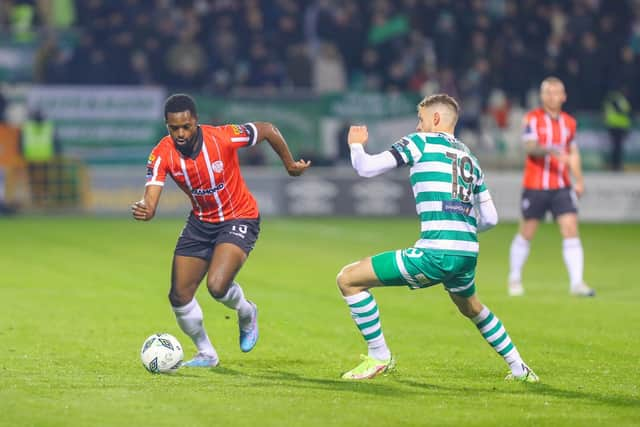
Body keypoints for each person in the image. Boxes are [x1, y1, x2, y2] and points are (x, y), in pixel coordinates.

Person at [336, 94, 539, 383]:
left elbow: (365, 168)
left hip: (437, 252)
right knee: (472, 307)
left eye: (420, 120)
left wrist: (355, 143)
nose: (417, 127)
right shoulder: (470, 157)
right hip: (467, 252)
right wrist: (461, 228)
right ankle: (520, 368)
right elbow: (491, 218)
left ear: (434, 119)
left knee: (348, 279)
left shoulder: (419, 143)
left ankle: (379, 355)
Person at [131, 94, 310, 367]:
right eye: (173, 128)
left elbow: (268, 129)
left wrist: (288, 164)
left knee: (216, 286)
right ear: (166, 126)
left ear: (196, 122)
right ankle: (206, 353)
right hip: (201, 222)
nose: (180, 133)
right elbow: (151, 198)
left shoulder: (223, 137)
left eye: (186, 127)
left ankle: (246, 311)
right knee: (179, 295)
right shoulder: (161, 153)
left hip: (239, 216)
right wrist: (147, 208)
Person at [508, 77, 594, 297]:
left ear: (564, 96)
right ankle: (514, 278)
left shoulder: (569, 123)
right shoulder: (532, 119)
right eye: (548, 92)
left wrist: (579, 180)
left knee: (570, 228)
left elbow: (573, 154)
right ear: (542, 96)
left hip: (561, 186)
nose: (552, 96)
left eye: (557, 92)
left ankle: (577, 283)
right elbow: (530, 148)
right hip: (535, 185)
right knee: (527, 232)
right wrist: (553, 151)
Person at [603, 89, 632, 171]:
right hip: (616, 126)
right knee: (617, 148)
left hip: (617, 126)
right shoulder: (617, 99)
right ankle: (616, 165)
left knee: (617, 147)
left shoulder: (616, 99)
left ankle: (616, 165)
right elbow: (622, 111)